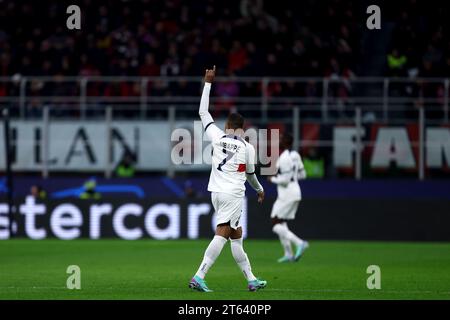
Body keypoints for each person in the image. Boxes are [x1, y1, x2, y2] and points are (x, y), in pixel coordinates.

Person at [189, 66, 267, 292]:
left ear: (227, 126)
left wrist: (208, 83)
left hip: (216, 192)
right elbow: (250, 176)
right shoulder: (247, 147)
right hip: (233, 194)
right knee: (223, 232)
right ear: (241, 129)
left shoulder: (217, 135)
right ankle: (199, 275)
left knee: (236, 235)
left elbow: (203, 113)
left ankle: (251, 279)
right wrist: (260, 190)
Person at [268, 133, 309, 263]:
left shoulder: (284, 158)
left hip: (287, 194)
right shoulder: (295, 155)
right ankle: (288, 253)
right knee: (281, 222)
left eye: (281, 139)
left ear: (285, 142)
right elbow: (303, 175)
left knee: (275, 223)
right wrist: (293, 177)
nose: (279, 141)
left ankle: (300, 243)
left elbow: (285, 181)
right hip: (295, 191)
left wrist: (272, 179)